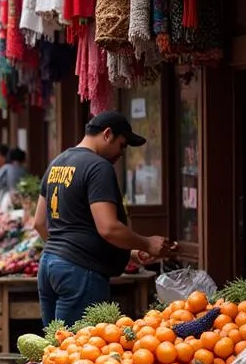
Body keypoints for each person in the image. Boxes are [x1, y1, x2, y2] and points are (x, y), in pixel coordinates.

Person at [34, 112, 171, 328]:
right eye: (122, 145)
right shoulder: (98, 167)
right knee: (79, 351)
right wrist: (147, 243)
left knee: (55, 348)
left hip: (49, 265)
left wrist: (129, 251)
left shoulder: (57, 163)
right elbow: (108, 228)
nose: (121, 153)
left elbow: (39, 223)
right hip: (80, 272)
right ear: (107, 134)